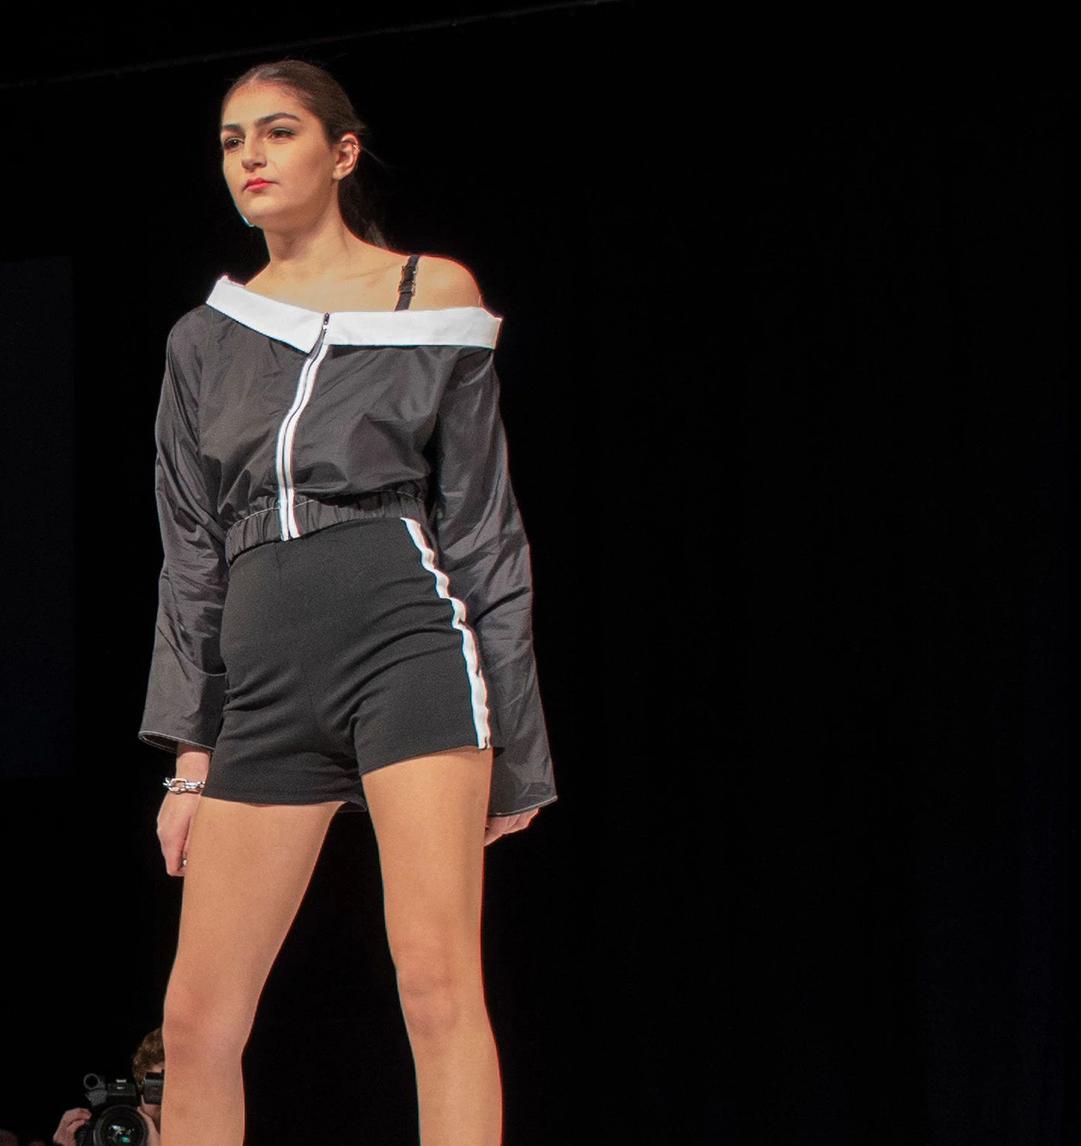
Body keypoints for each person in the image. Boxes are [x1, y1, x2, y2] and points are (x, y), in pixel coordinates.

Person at [138, 57, 558, 1146]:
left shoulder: (434, 295)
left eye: (276, 133)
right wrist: (191, 754)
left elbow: (481, 527)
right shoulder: (206, 338)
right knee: (196, 1022)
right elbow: (187, 551)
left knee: (434, 983)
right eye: (232, 141)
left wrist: (518, 743)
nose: (251, 159)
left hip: (404, 641)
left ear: (342, 151)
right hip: (265, 678)